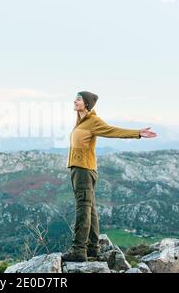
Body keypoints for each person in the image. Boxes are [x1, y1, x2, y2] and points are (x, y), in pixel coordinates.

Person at [62, 91, 157, 262]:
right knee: (89, 208)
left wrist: (137, 133)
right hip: (80, 169)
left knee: (83, 209)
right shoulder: (81, 121)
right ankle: (92, 248)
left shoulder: (93, 121)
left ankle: (79, 250)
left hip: (84, 171)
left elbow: (112, 131)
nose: (75, 100)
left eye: (79, 99)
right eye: (76, 98)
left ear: (87, 104)